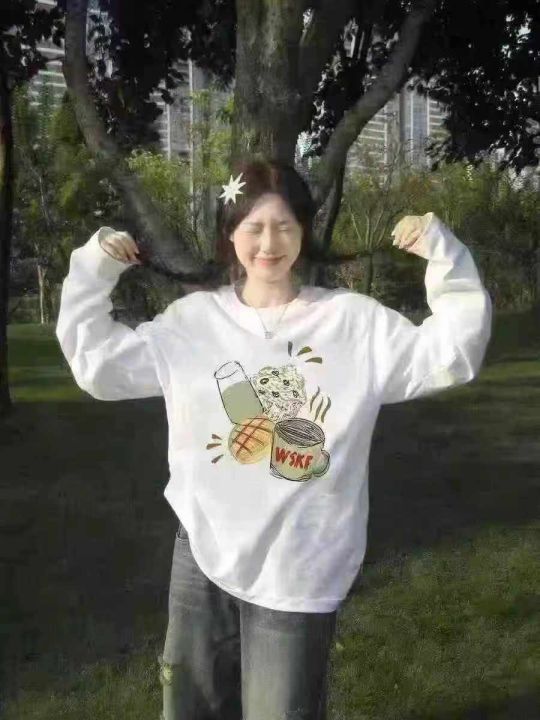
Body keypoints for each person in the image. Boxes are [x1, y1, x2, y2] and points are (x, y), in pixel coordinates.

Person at [55, 158, 493, 719]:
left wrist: (442, 252)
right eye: (254, 227)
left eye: (285, 226)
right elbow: (98, 366)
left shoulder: (353, 324)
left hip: (300, 565)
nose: (269, 243)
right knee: (190, 708)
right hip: (202, 554)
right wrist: (94, 269)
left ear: (304, 231)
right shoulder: (191, 323)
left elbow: (453, 353)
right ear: (230, 233)